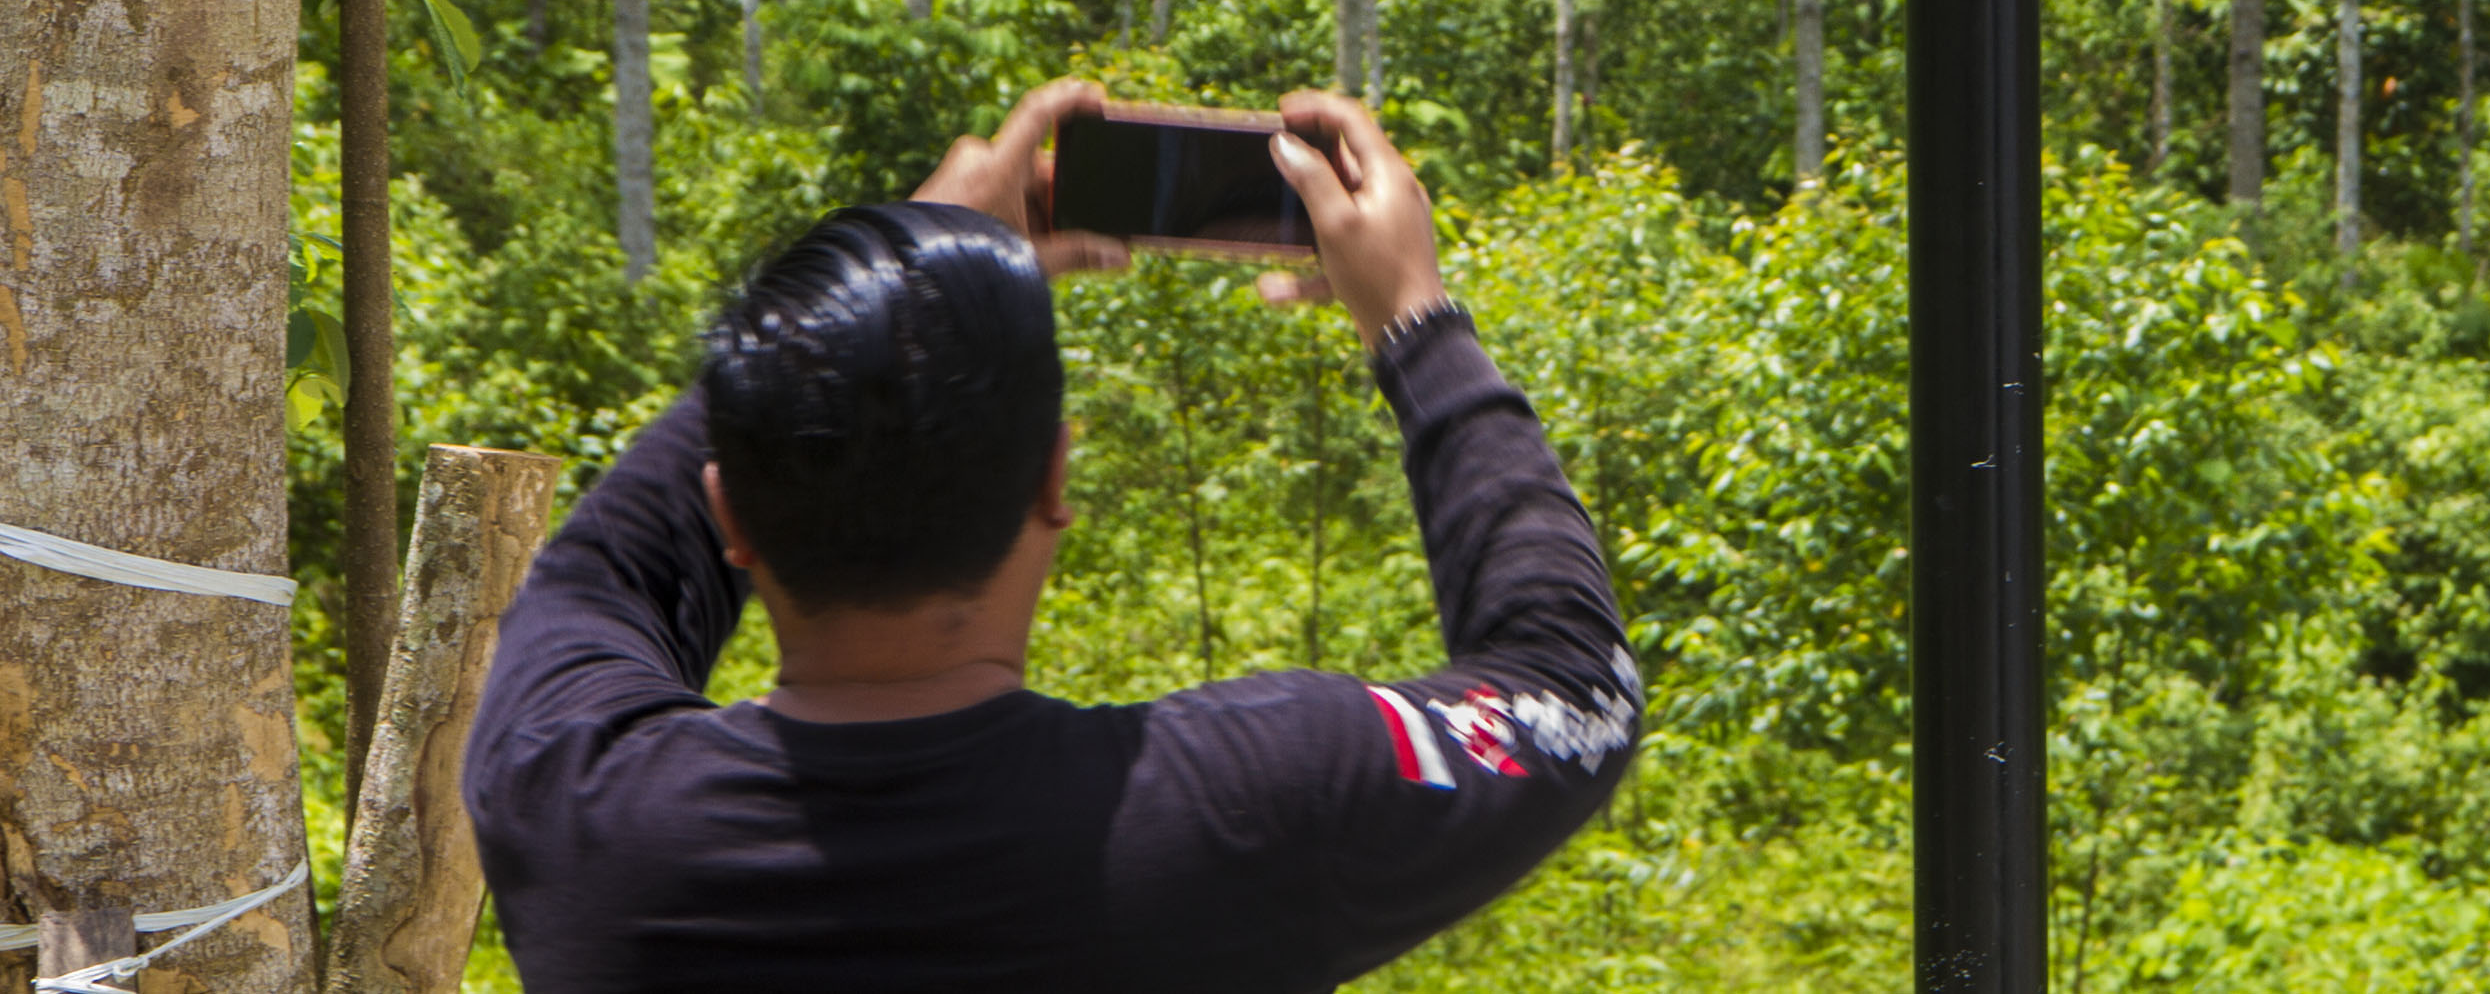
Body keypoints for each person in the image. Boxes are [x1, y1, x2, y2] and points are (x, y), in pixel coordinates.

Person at [463, 80, 1636, 992]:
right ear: (1054, 482)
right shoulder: (1243, 808)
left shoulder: (577, 803)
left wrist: (900, 259)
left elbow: (605, 571)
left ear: (730, 514)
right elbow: (1573, 690)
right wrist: (1414, 319)